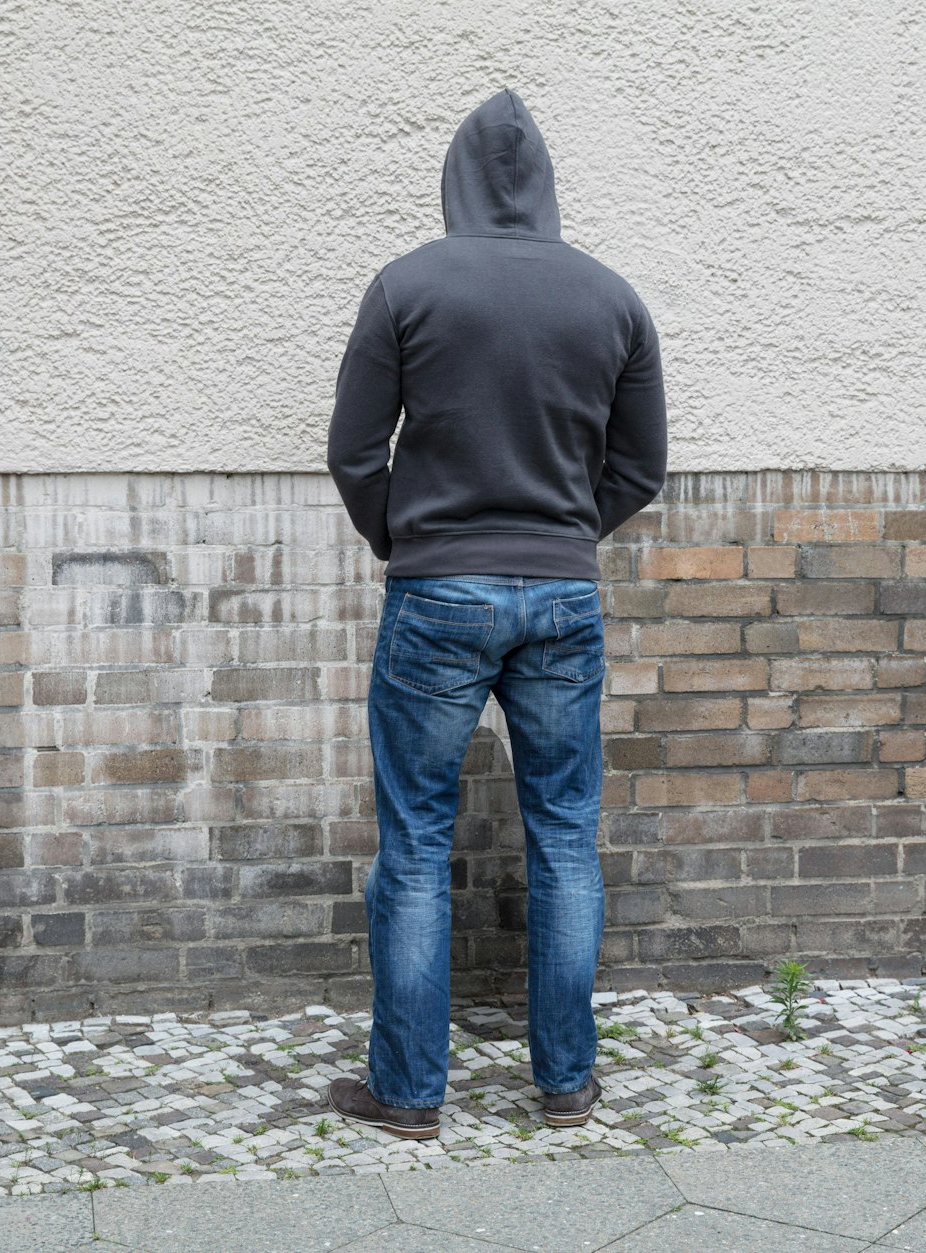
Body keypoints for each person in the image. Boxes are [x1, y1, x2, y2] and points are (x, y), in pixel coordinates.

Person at [323, 87, 668, 1139]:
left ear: (455, 180)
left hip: (436, 590)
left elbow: (351, 450)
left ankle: (410, 1094)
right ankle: (564, 1084)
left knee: (416, 840)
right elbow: (639, 468)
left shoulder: (406, 286)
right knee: (564, 834)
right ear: (547, 185)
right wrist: (561, 540)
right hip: (561, 592)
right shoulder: (612, 299)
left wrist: (410, 540)